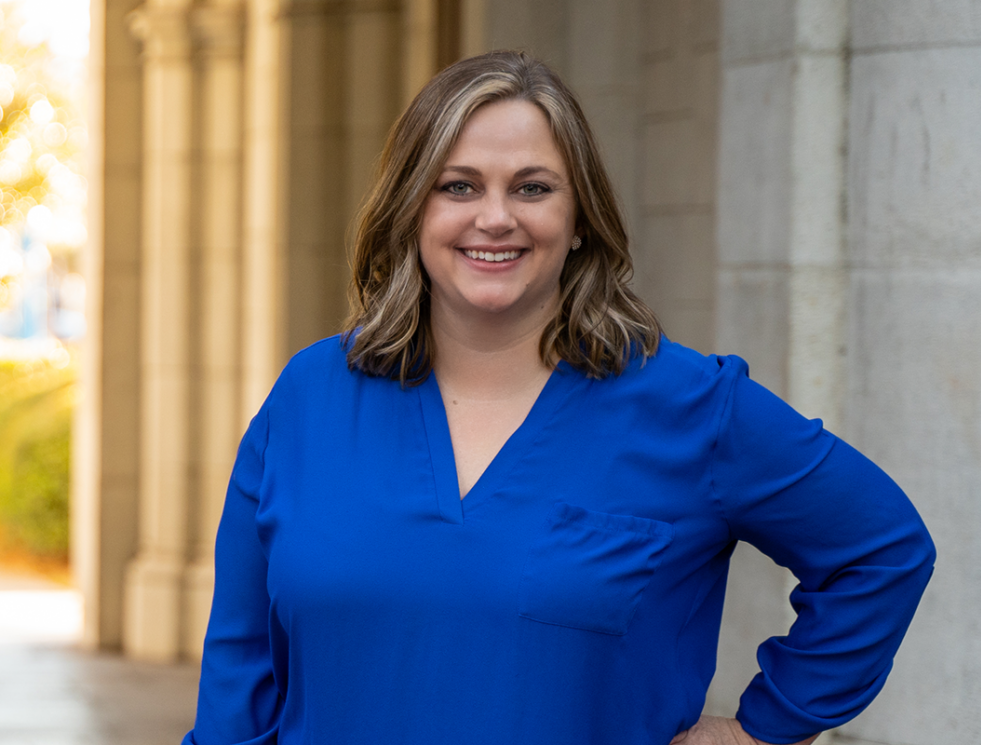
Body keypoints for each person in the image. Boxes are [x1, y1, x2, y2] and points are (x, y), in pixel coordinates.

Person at [182, 51, 935, 745]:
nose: (496, 216)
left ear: (578, 221)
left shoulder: (691, 407)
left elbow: (882, 551)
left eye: (533, 188)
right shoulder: (308, 399)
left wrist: (761, 728)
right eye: (458, 185)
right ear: (413, 208)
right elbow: (240, 672)